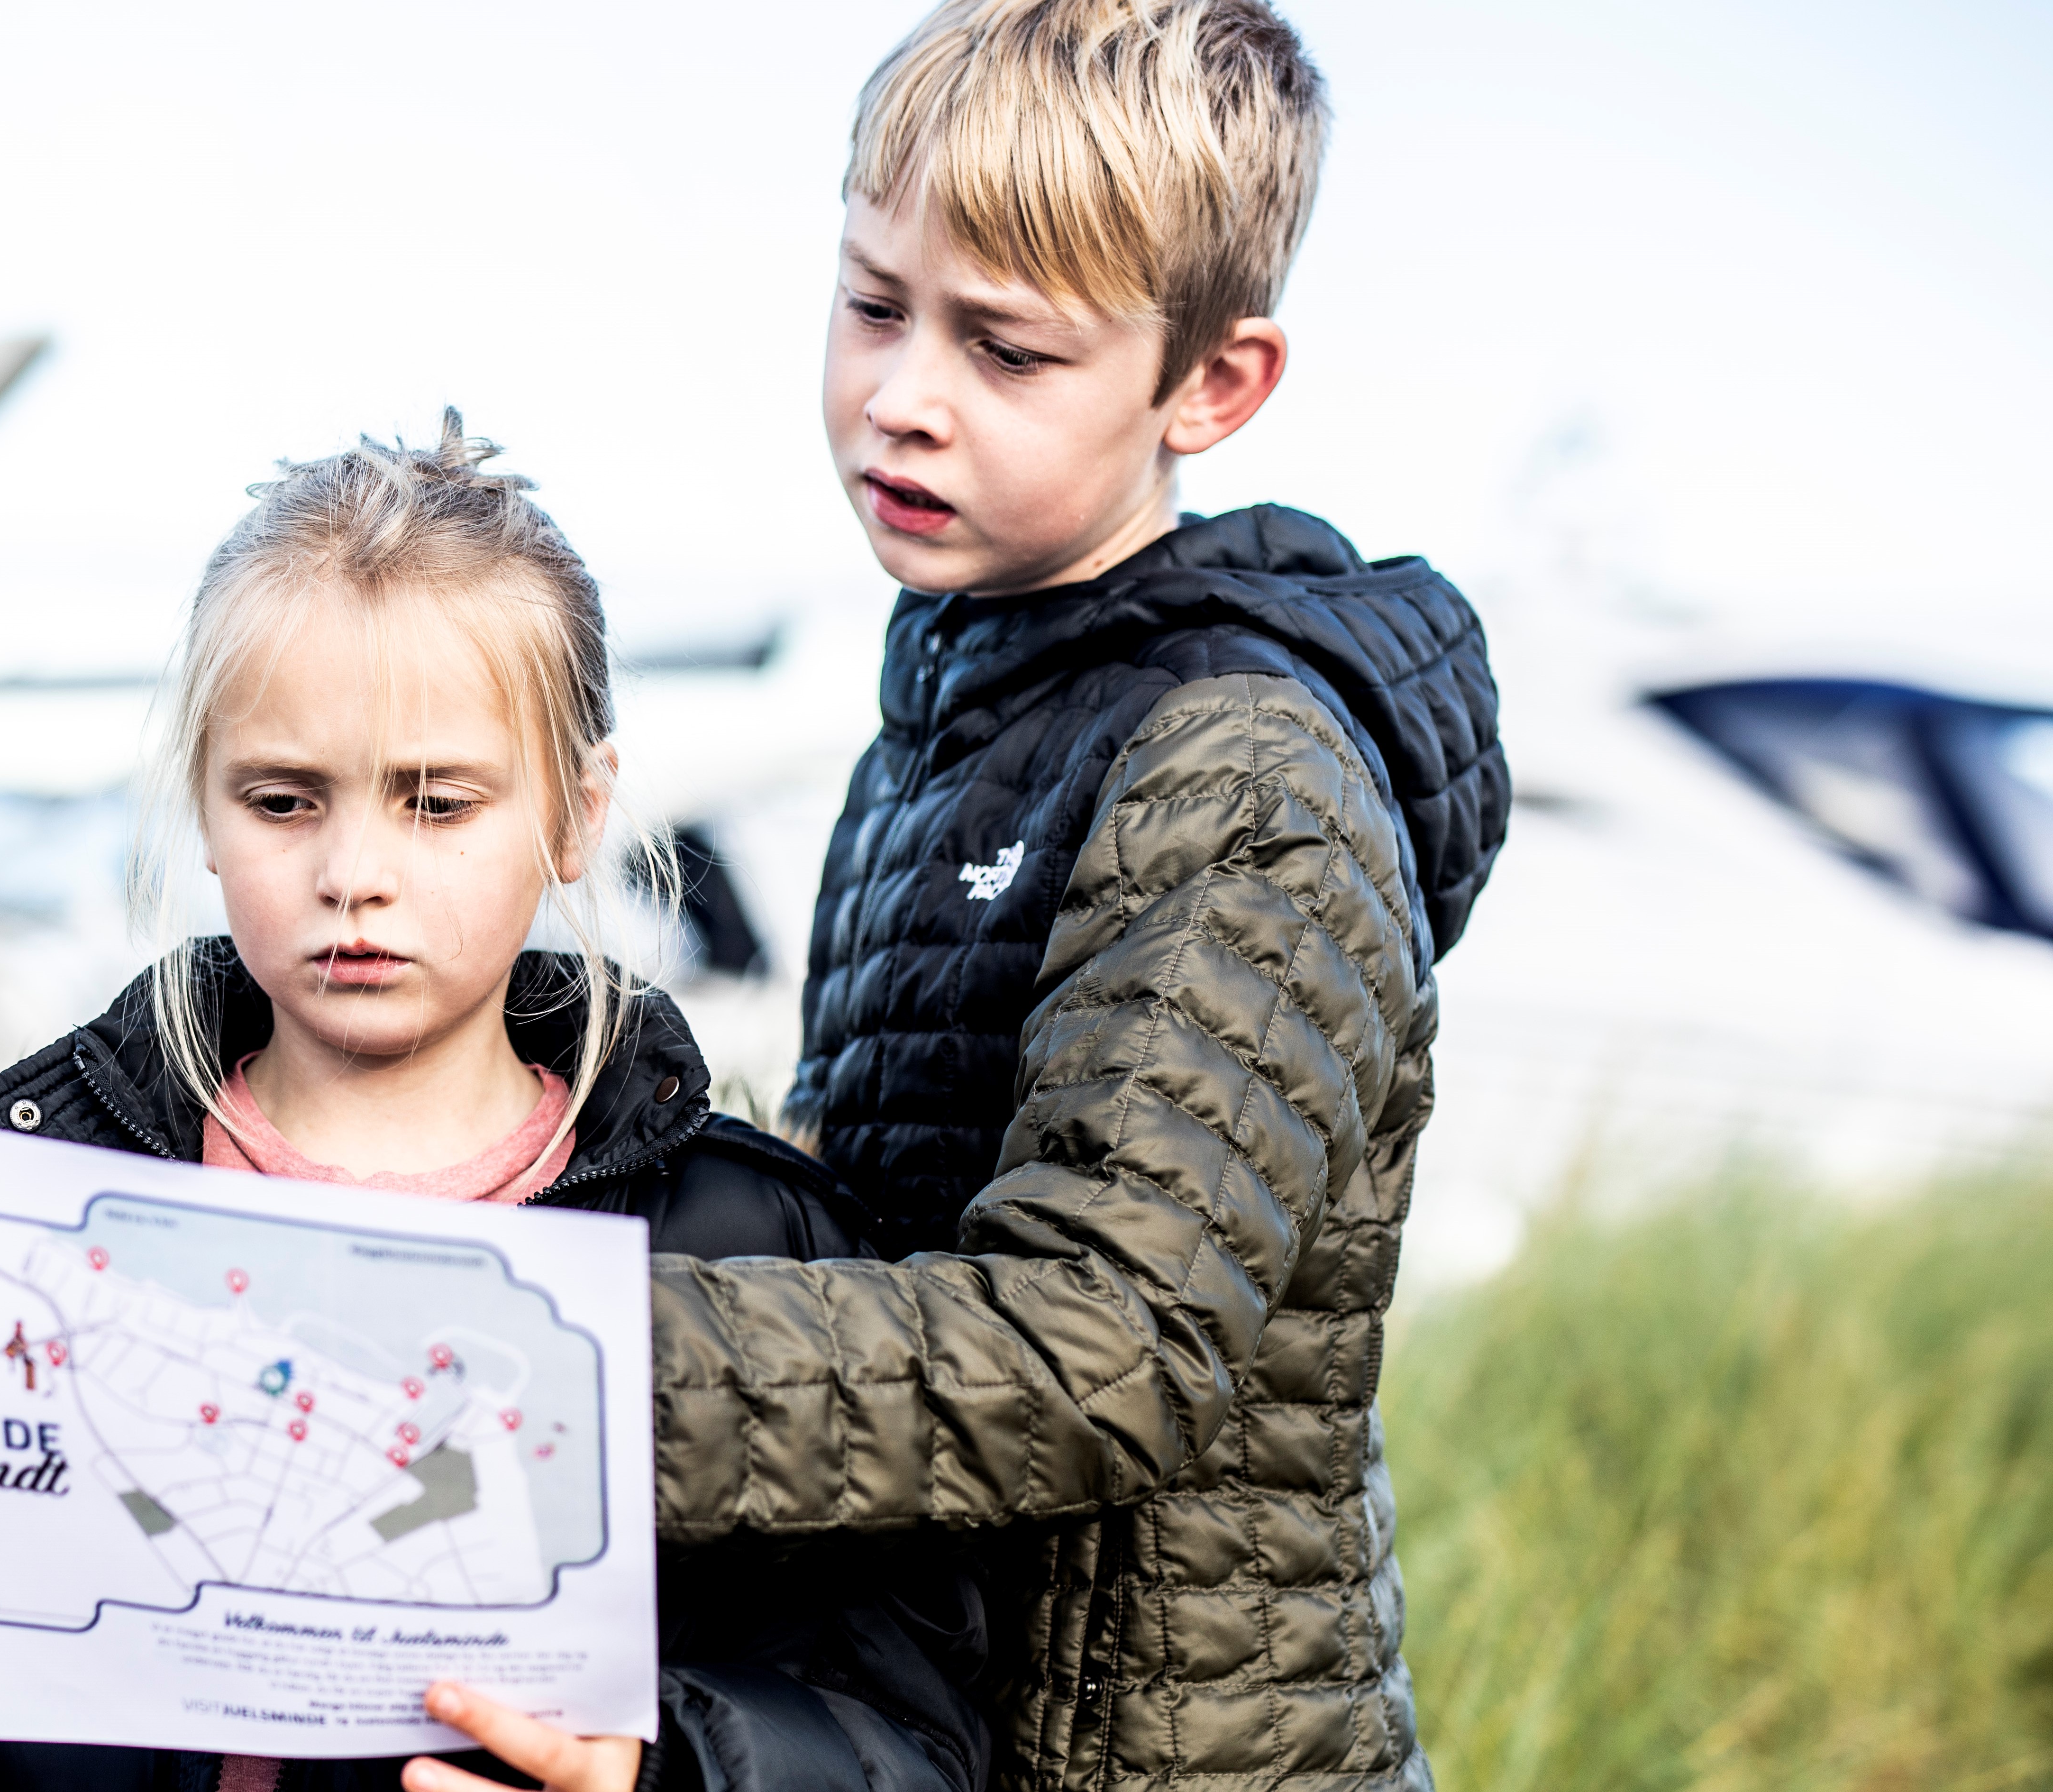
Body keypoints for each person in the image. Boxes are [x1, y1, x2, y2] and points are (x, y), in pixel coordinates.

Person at [0, 416, 992, 1792]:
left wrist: (657, 1770)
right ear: (203, 797)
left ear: (575, 808)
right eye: (285, 799)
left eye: (437, 802)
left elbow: (907, 1736)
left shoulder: (748, 1238)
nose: (353, 872)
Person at [640, 3, 1512, 1789]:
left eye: (1007, 350)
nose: (903, 393)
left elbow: (1105, 1344)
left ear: (1212, 385)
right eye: (874, 301)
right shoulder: (941, 732)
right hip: (941, 1725)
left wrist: (566, 1375)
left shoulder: (1243, 773)